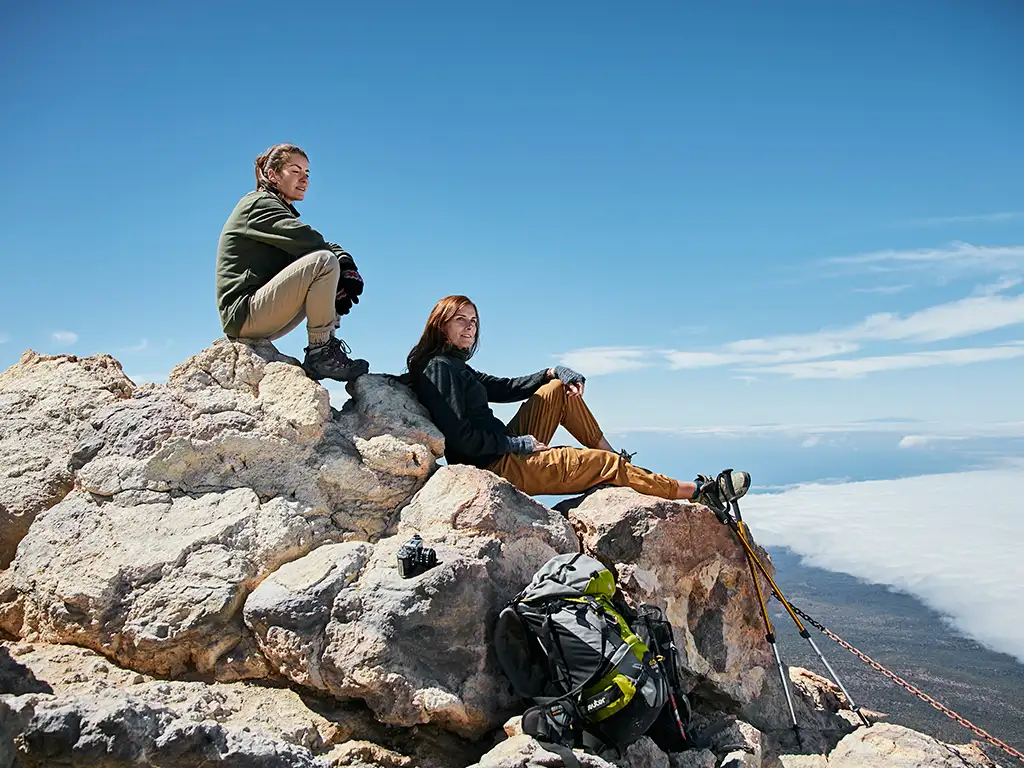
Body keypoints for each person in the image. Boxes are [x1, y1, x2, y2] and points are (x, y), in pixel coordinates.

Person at [406, 295, 749, 508]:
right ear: (441, 325)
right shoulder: (440, 368)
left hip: (501, 450)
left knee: (556, 390)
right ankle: (697, 492)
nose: (470, 328)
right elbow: (460, 439)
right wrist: (517, 443)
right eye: (461, 320)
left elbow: (505, 387)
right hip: (494, 464)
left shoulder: (452, 365)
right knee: (603, 466)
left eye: (474, 321)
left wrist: (553, 371)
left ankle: (619, 462)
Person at [216, 143, 369, 381]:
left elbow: (310, 247)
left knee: (325, 264)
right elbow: (311, 241)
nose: (304, 179)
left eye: (307, 174)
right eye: (295, 171)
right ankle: (321, 352)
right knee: (324, 261)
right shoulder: (258, 204)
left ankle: (327, 346)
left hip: (262, 316)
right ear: (273, 175)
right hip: (244, 314)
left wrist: (338, 279)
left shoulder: (279, 211)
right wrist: (345, 262)